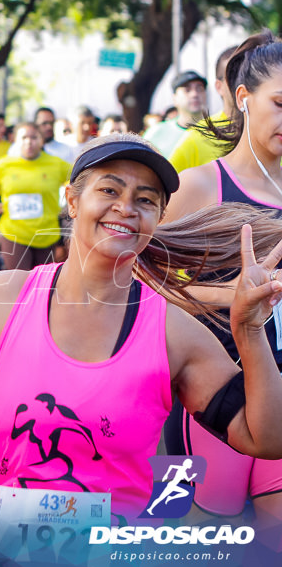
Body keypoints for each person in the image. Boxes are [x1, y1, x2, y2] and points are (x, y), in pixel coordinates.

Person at [0, 132, 282, 560]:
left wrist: (250, 330)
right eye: (109, 189)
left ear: (158, 218)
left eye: (146, 200)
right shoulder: (6, 297)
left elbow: (265, 437)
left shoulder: (172, 331)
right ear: (71, 200)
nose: (126, 208)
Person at [161, 32, 282, 548]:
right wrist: (230, 298)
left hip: (280, 403)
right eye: (280, 103)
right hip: (211, 403)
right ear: (242, 98)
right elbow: (139, 283)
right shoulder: (199, 186)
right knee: (188, 548)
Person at [0, 122, 71, 271]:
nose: (28, 142)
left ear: (41, 140)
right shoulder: (5, 164)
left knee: (41, 284)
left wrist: (70, 204)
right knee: (18, 282)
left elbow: (79, 179)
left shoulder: (56, 164)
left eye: (34, 137)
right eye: (24, 137)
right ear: (16, 140)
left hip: (46, 233)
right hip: (13, 232)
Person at [168, 46, 239, 173]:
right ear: (219, 86)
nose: (243, 83)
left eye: (252, 75)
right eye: (234, 76)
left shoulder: (273, 135)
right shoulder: (196, 138)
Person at [144, 70, 208, 156]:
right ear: (174, 98)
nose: (194, 94)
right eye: (187, 90)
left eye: (199, 89)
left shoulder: (219, 133)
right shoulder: (155, 134)